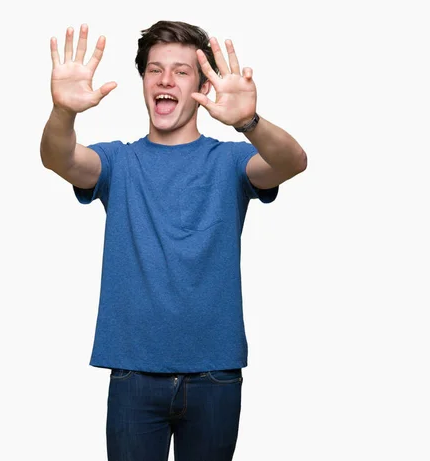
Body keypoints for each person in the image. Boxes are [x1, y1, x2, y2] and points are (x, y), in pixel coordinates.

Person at [40, 20, 307, 461]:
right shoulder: (117, 161)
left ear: (203, 85)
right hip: (133, 372)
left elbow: (292, 161)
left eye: (181, 71)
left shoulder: (231, 161)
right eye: (155, 70)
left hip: (215, 374)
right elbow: (59, 158)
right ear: (143, 80)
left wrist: (250, 122)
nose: (166, 80)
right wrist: (63, 112)